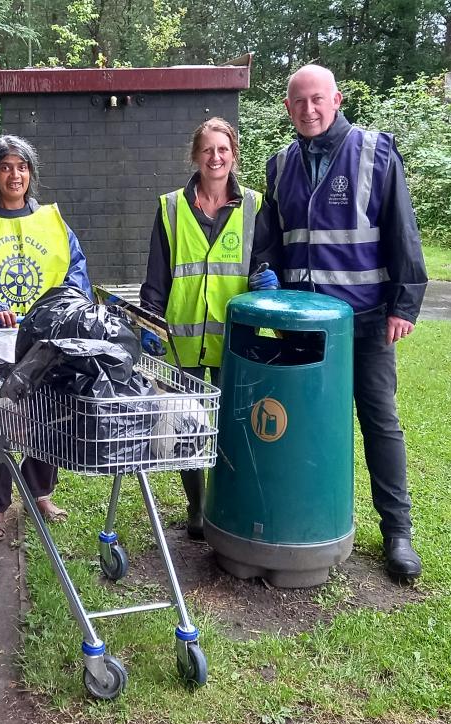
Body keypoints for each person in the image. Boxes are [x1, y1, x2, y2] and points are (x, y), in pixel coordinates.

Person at [259, 64, 427, 581]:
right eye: (298, 102)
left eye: (317, 100)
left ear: (336, 99)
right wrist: (265, 272)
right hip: (300, 325)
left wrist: (405, 302)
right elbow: (270, 236)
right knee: (299, 423)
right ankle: (297, 517)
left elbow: (402, 229)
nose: (308, 110)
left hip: (366, 320)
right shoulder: (280, 163)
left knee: (379, 420)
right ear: (288, 108)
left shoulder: (375, 152)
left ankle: (397, 533)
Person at [139, 117, 278, 540]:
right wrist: (149, 320)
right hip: (183, 342)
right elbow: (157, 274)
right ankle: (197, 510)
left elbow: (265, 261)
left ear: (234, 154)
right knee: (189, 428)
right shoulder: (170, 208)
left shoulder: (255, 206)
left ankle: (231, 504)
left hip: (236, 341)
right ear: (196, 156)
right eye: (207, 150)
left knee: (236, 426)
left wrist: (267, 279)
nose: (215, 157)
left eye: (223, 149)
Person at [0, 134, 92, 542]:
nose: (15, 175)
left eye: (23, 166)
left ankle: (40, 491)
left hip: (44, 334)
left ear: (31, 174)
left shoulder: (51, 221)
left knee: (47, 414)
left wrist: (66, 306)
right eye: (6, 166)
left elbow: (74, 268)